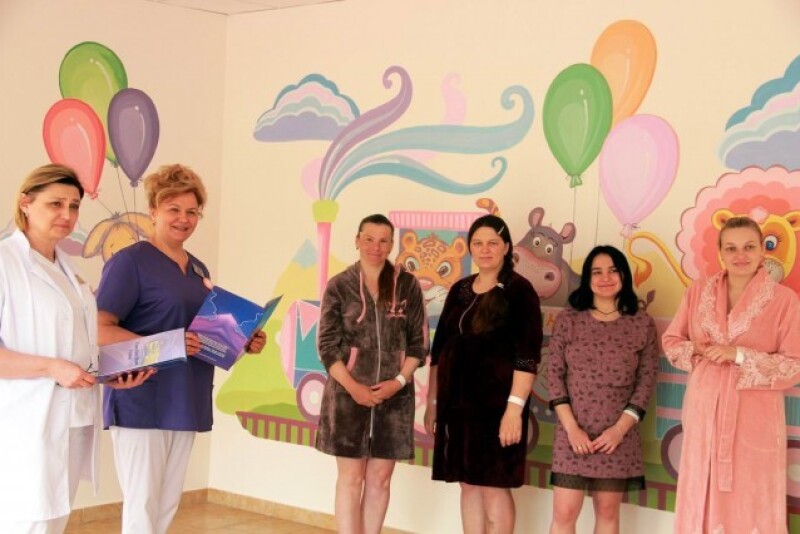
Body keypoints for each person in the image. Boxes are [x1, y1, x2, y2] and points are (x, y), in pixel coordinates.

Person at [95, 164, 266, 534]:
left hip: (185, 397)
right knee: (142, 507)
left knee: (166, 506)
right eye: (174, 209)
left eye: (192, 211)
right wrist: (166, 344)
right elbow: (99, 329)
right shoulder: (130, 262)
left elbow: (202, 336)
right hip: (142, 398)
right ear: (153, 211)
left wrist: (243, 340)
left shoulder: (197, 269)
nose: (184, 219)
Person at [0, 164, 150, 534]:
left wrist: (110, 375)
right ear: (26, 203)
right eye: (55, 204)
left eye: (74, 206)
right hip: (27, 420)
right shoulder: (5, 263)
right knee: (28, 521)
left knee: (53, 520)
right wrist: (52, 367)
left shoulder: (68, 272)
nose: (67, 214)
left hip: (72, 418)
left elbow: (79, 346)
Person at [662, 216, 800, 533]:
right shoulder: (698, 292)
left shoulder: (784, 301)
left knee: (750, 493)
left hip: (754, 416)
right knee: (701, 484)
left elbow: (793, 364)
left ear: (762, 251)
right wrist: (696, 349)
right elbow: (671, 341)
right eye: (731, 248)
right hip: (703, 409)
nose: (740, 255)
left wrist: (738, 355)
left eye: (749, 247)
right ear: (720, 252)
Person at [424, 214, 542, 534]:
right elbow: (439, 352)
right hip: (457, 408)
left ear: (506, 246)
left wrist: (514, 411)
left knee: (493, 487)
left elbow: (527, 358)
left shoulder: (520, 291)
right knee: (468, 484)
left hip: (498, 410)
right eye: (478, 243)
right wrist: (433, 404)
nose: (485, 249)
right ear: (470, 248)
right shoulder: (459, 289)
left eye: (492, 243)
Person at [315, 214, 427, 534]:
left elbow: (419, 345)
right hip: (346, 398)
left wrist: (398, 382)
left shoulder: (407, 285)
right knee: (351, 479)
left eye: (383, 241)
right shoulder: (339, 285)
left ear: (392, 244)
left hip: (395, 401)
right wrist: (354, 388)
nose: (375, 247)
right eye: (369, 239)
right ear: (357, 240)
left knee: (380, 479)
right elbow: (327, 347)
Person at [547, 245, 658, 534]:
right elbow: (554, 375)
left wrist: (618, 431)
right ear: (587, 278)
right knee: (563, 513)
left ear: (624, 275)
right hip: (572, 433)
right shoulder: (569, 320)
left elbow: (646, 381)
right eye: (597, 272)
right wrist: (572, 429)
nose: (605, 277)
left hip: (617, 437)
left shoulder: (642, 323)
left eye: (612, 270)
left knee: (608, 513)